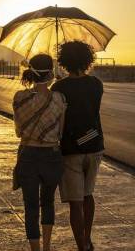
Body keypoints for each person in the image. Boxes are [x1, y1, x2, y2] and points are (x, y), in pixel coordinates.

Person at [51, 41, 104, 251]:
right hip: (94, 144)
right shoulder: (96, 84)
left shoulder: (59, 88)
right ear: (87, 59)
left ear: (64, 62)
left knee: (75, 201)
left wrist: (60, 85)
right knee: (88, 194)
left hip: (71, 149)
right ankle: (88, 239)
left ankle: (81, 246)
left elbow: (57, 117)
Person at [13, 54, 66, 251]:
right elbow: (60, 132)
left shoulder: (19, 98)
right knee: (48, 202)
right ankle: (47, 247)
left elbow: (18, 131)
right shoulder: (59, 99)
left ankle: (35, 249)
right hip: (51, 156)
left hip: (28, 155)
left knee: (31, 206)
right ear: (51, 73)